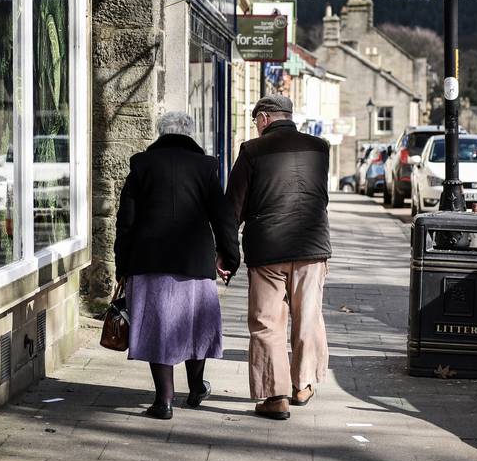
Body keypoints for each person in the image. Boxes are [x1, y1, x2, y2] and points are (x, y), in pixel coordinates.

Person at [114, 111, 240, 420]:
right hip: (194, 261)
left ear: (160, 133)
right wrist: (229, 256)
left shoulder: (142, 164)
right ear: (190, 134)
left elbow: (125, 221)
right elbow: (223, 217)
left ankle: (164, 401)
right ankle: (196, 387)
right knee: (195, 326)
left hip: (149, 260)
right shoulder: (205, 166)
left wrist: (122, 264)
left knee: (159, 327)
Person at [226, 94, 331, 420]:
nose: (256, 126)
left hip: (267, 250)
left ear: (264, 118)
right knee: (308, 316)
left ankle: (275, 397)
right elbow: (318, 195)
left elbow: (234, 206)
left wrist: (227, 254)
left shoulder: (252, 151)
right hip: (311, 247)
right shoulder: (319, 148)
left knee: (267, 322)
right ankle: (303, 384)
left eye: (256, 120)